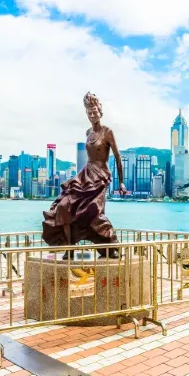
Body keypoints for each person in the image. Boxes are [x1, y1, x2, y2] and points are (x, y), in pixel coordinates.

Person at [42, 92, 127, 259]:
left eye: (95, 111)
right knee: (63, 207)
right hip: (85, 174)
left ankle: (110, 244)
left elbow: (118, 158)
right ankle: (70, 247)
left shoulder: (107, 131)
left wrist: (121, 183)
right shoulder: (88, 132)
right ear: (87, 115)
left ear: (100, 112)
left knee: (94, 212)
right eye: (89, 113)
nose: (93, 115)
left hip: (100, 176)